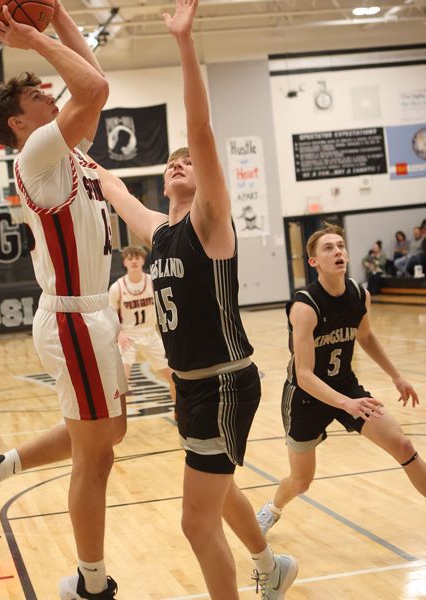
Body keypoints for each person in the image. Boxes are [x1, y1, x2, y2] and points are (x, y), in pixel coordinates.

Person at [97, 1, 298, 598]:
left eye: (189, 160)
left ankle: (257, 575)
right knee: (222, 488)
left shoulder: (210, 221)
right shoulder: (158, 233)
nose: (182, 162)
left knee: (194, 520)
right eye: (173, 162)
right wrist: (58, 140)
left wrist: (184, 44)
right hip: (191, 383)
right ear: (164, 182)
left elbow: (202, 130)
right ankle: (269, 564)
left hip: (226, 380)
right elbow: (110, 186)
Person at [0, 4, 126, 599]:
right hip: (74, 317)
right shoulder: (37, 157)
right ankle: (91, 586)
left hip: (93, 313)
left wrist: (58, 12)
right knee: (95, 459)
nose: (53, 97)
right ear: (21, 125)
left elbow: (91, 78)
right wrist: (30, 37)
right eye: (41, 99)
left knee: (110, 432)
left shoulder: (62, 149)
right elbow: (93, 86)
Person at [256, 224, 425, 536]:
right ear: (314, 262)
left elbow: (366, 336)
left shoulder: (360, 295)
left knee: (402, 445)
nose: (338, 252)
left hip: (346, 387)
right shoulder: (305, 306)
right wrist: (347, 403)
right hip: (306, 397)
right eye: (328, 248)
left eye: (340, 246)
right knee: (301, 481)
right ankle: (272, 509)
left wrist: (396, 376)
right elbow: (304, 375)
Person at [108, 246, 176, 404]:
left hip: (150, 335)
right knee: (122, 382)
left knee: (174, 378)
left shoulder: (153, 281)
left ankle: (179, 412)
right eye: (130, 258)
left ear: (143, 260)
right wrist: (119, 334)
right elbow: (110, 315)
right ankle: (116, 418)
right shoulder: (117, 287)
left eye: (137, 258)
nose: (134, 261)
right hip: (127, 337)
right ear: (124, 262)